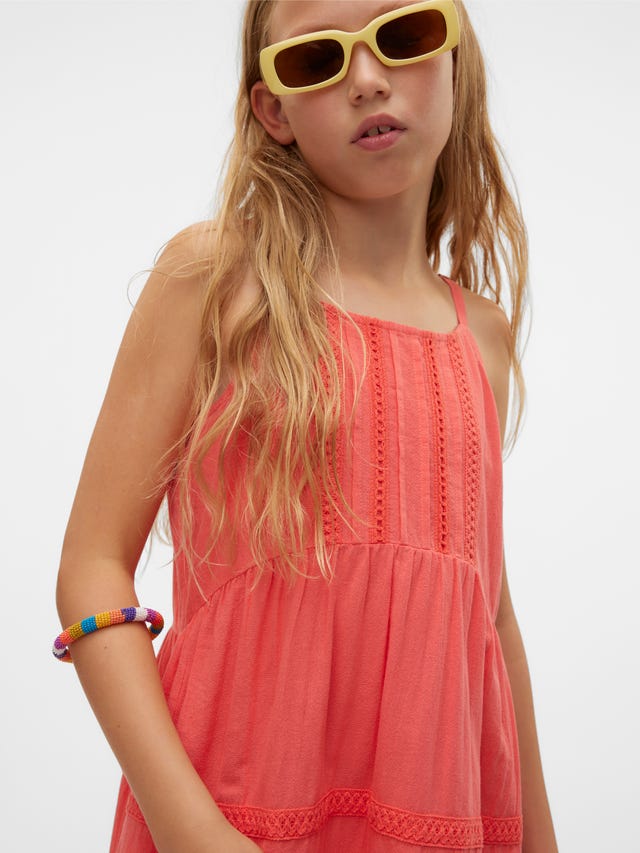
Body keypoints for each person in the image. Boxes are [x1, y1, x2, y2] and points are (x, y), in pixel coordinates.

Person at [54, 1, 559, 851]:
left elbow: (490, 615)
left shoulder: (483, 339)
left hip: (436, 809)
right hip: (230, 813)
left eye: (403, 35)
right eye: (317, 59)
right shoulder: (216, 285)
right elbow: (92, 564)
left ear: (456, 58)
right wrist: (192, 832)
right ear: (273, 110)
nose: (366, 79)